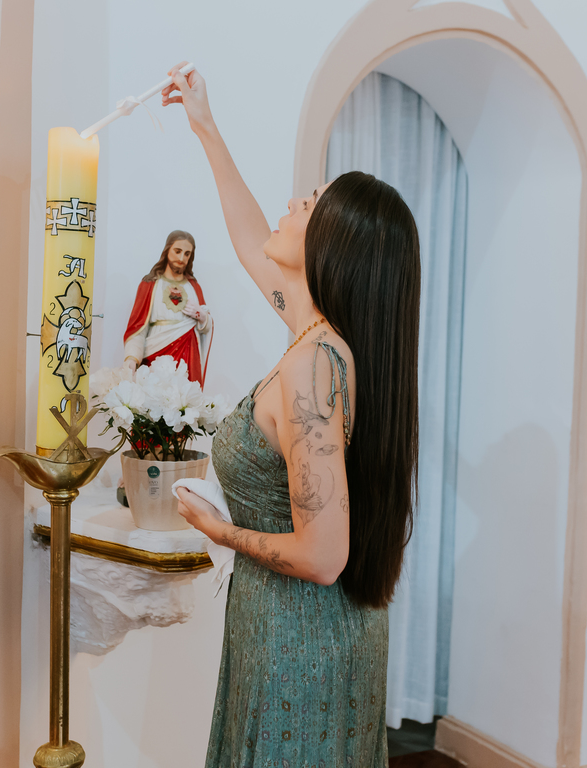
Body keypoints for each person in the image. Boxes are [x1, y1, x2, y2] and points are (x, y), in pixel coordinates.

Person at [164, 62, 420, 767]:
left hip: (302, 647)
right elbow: (251, 240)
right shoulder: (316, 335)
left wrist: (223, 530)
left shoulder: (315, 365)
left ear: (332, 247)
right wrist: (206, 128)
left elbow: (323, 554)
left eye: (311, 204)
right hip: (292, 632)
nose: (294, 202)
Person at [122, 230, 213, 385]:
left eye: (187, 254)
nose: (181, 258)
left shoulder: (193, 286)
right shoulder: (150, 284)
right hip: (155, 355)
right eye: (177, 251)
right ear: (167, 250)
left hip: (188, 357)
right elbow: (138, 328)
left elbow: (205, 326)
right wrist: (131, 357)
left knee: (186, 402)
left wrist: (202, 316)